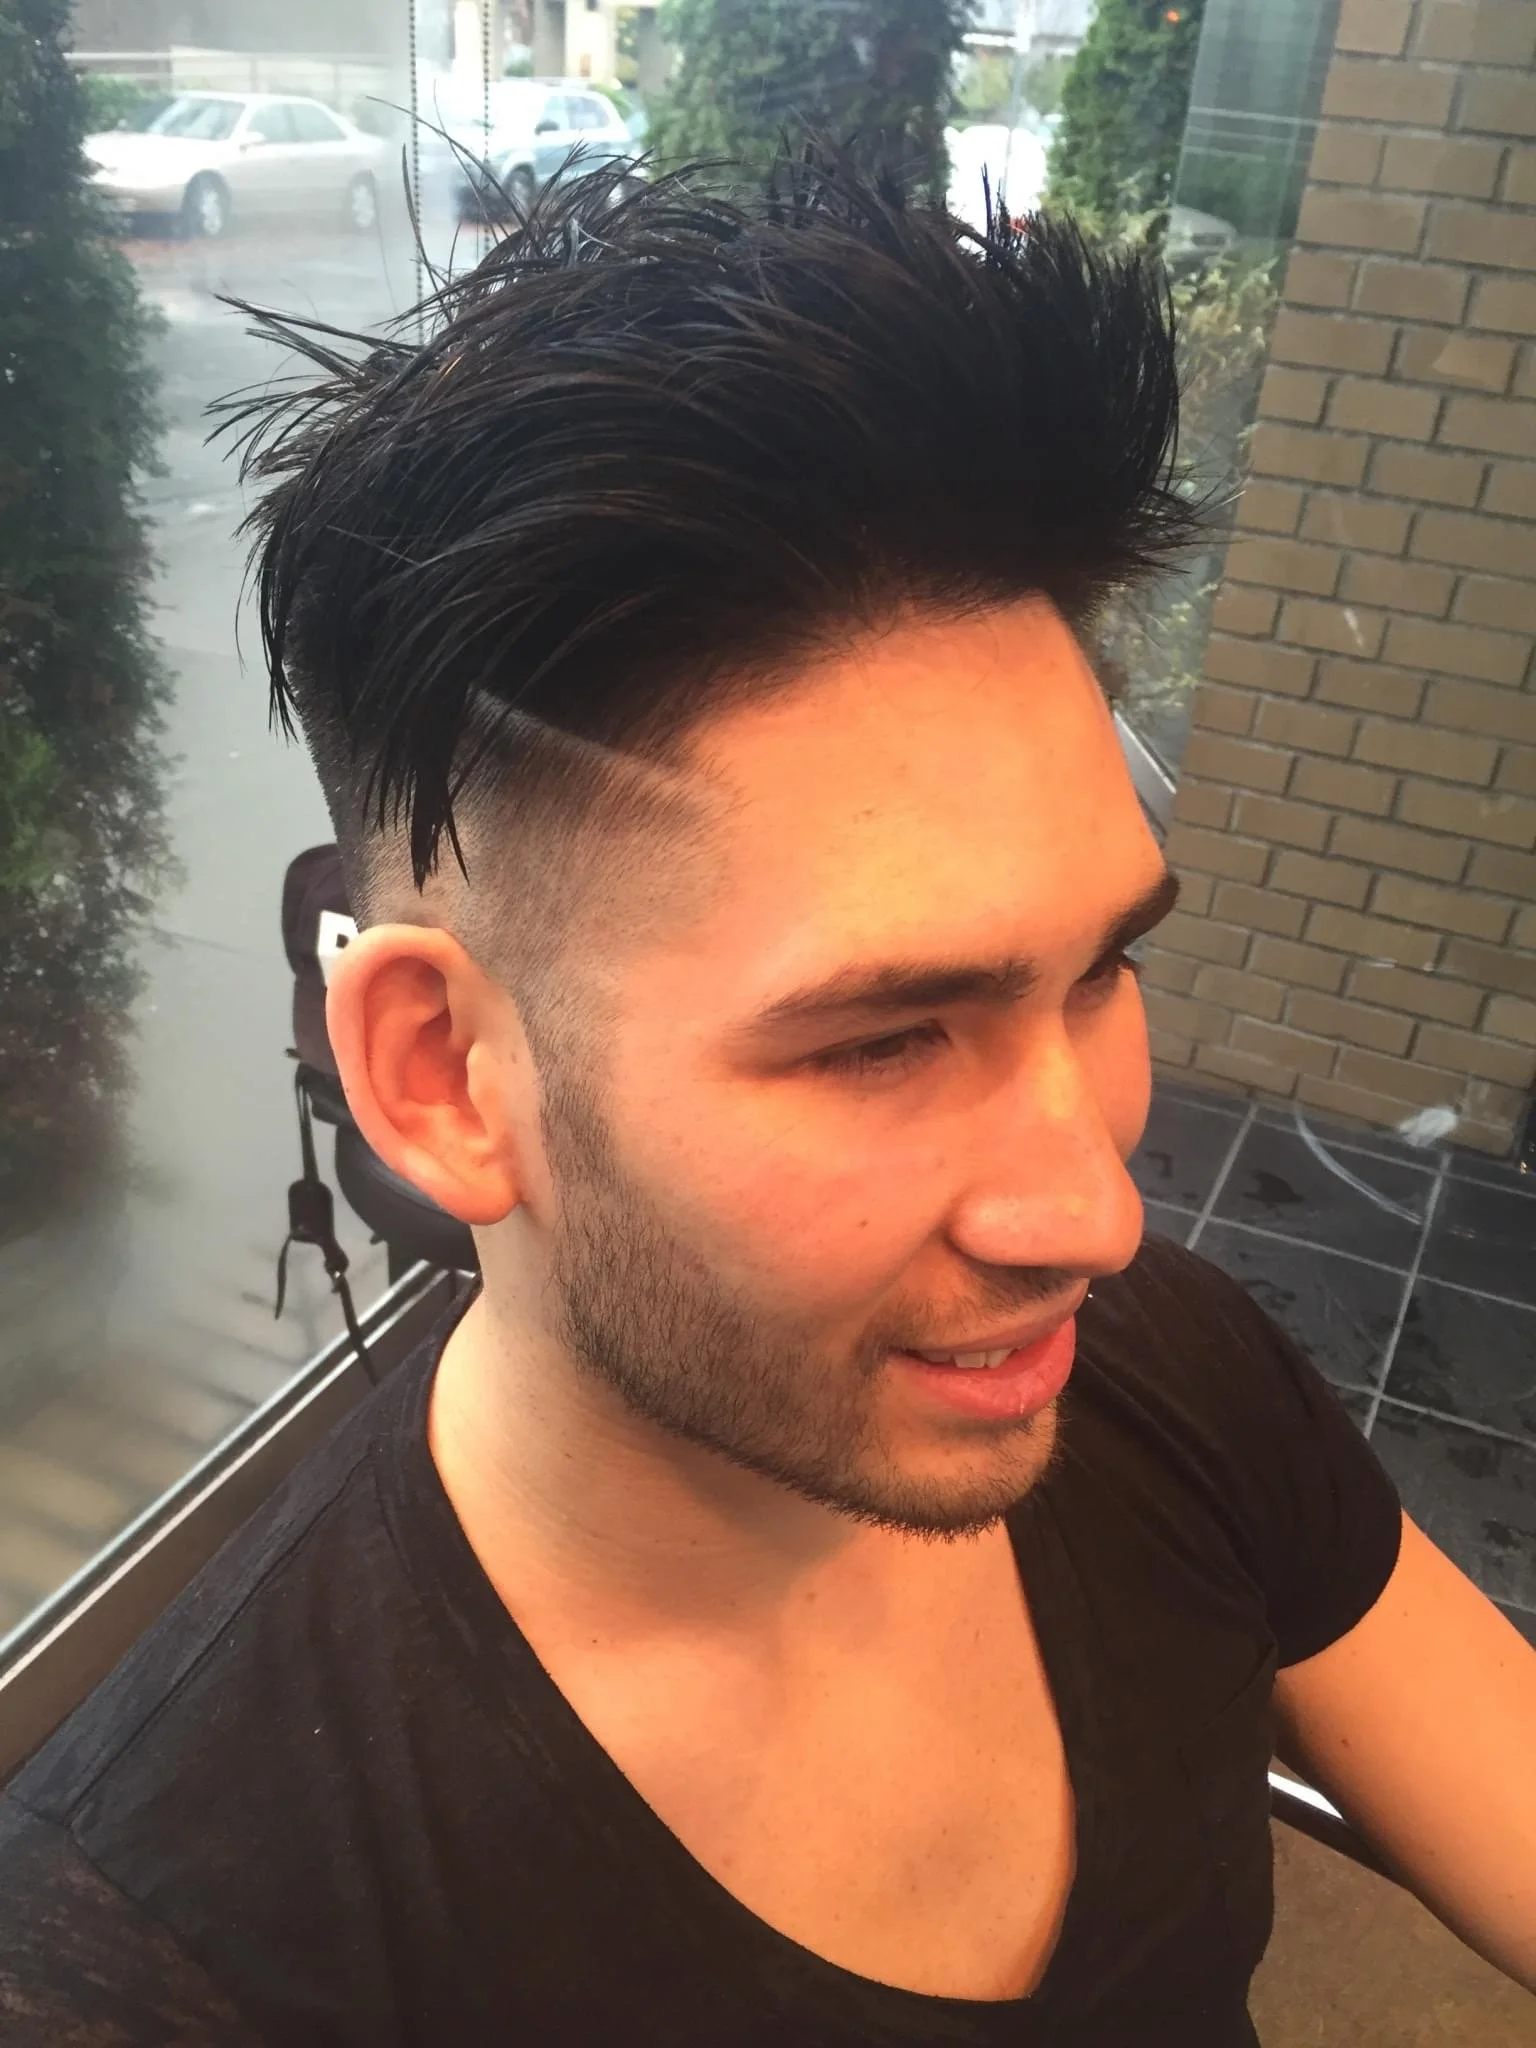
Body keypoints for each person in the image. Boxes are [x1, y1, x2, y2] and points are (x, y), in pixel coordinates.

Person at [2, 152, 1533, 2046]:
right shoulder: (167, 1950)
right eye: (884, 1041)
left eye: (1099, 973)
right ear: (442, 1074)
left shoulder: (1166, 1372)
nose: (1099, 1215)